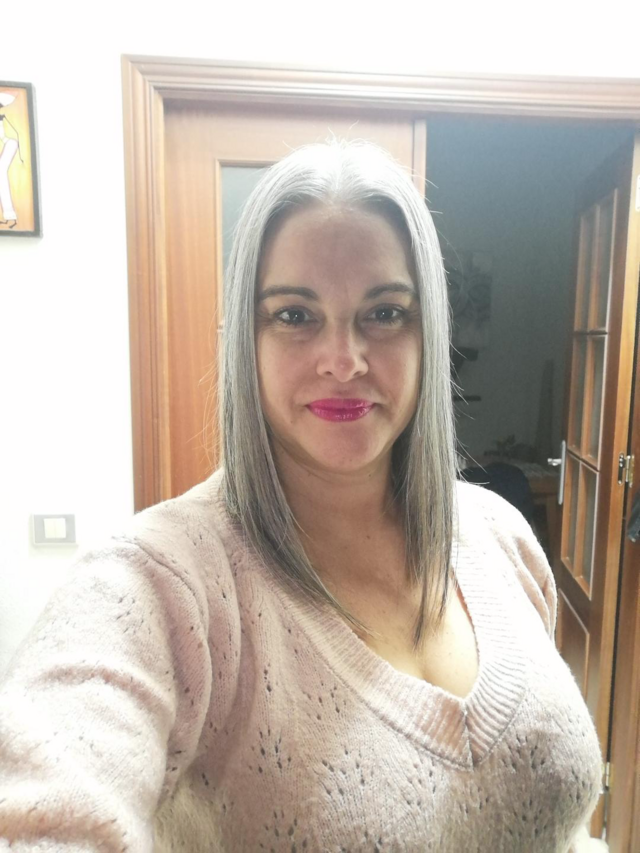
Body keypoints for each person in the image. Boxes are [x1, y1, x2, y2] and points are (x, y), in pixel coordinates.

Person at [0, 138, 604, 851]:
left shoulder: (502, 537)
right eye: (294, 314)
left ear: (428, 334)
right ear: (245, 340)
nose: (344, 361)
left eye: (385, 313)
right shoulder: (156, 585)